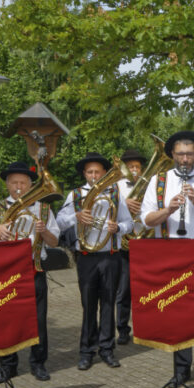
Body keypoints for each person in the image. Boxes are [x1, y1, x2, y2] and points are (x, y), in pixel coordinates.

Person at [141, 131, 194, 388]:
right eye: (180, 154)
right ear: (172, 155)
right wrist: (168, 209)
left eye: (189, 154)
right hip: (170, 256)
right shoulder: (158, 181)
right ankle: (181, 370)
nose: (184, 159)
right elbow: (146, 219)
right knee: (177, 316)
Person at [0, 161, 61, 382]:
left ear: (31, 185)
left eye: (23, 182)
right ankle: (7, 366)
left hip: (34, 270)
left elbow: (54, 242)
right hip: (6, 274)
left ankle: (38, 364)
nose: (19, 187)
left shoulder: (43, 209)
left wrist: (44, 231)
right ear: (7, 185)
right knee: (6, 321)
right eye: (14, 182)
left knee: (38, 321)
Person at [56, 152, 133, 370]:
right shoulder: (76, 195)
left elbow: (131, 224)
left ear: (104, 173)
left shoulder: (116, 194)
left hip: (110, 256)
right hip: (87, 257)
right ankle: (87, 351)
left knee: (108, 303)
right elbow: (60, 222)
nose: (93, 175)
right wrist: (76, 217)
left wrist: (117, 227)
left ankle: (107, 349)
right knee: (88, 304)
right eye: (89, 172)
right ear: (84, 174)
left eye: (97, 171)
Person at [115, 148, 147, 345]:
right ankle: (123, 329)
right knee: (124, 289)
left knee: (145, 289)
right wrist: (124, 203)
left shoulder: (149, 186)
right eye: (131, 167)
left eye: (137, 167)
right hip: (125, 242)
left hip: (144, 241)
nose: (135, 170)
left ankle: (145, 328)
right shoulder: (117, 186)